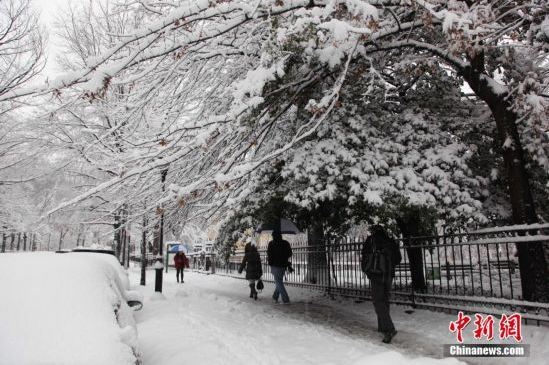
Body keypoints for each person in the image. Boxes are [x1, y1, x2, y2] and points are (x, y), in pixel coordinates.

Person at [361, 224, 402, 344]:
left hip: (376, 275)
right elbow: (398, 260)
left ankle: (389, 329)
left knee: (378, 301)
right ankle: (382, 326)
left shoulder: (371, 241)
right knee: (384, 300)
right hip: (388, 275)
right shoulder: (390, 241)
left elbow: (364, 257)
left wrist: (367, 269)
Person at [267, 230, 292, 304]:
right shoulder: (286, 243)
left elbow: (269, 255)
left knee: (278, 282)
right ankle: (275, 297)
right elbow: (290, 254)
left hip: (275, 265)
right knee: (279, 281)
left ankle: (286, 300)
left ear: (273, 236)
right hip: (283, 265)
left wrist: (270, 263)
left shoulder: (271, 244)